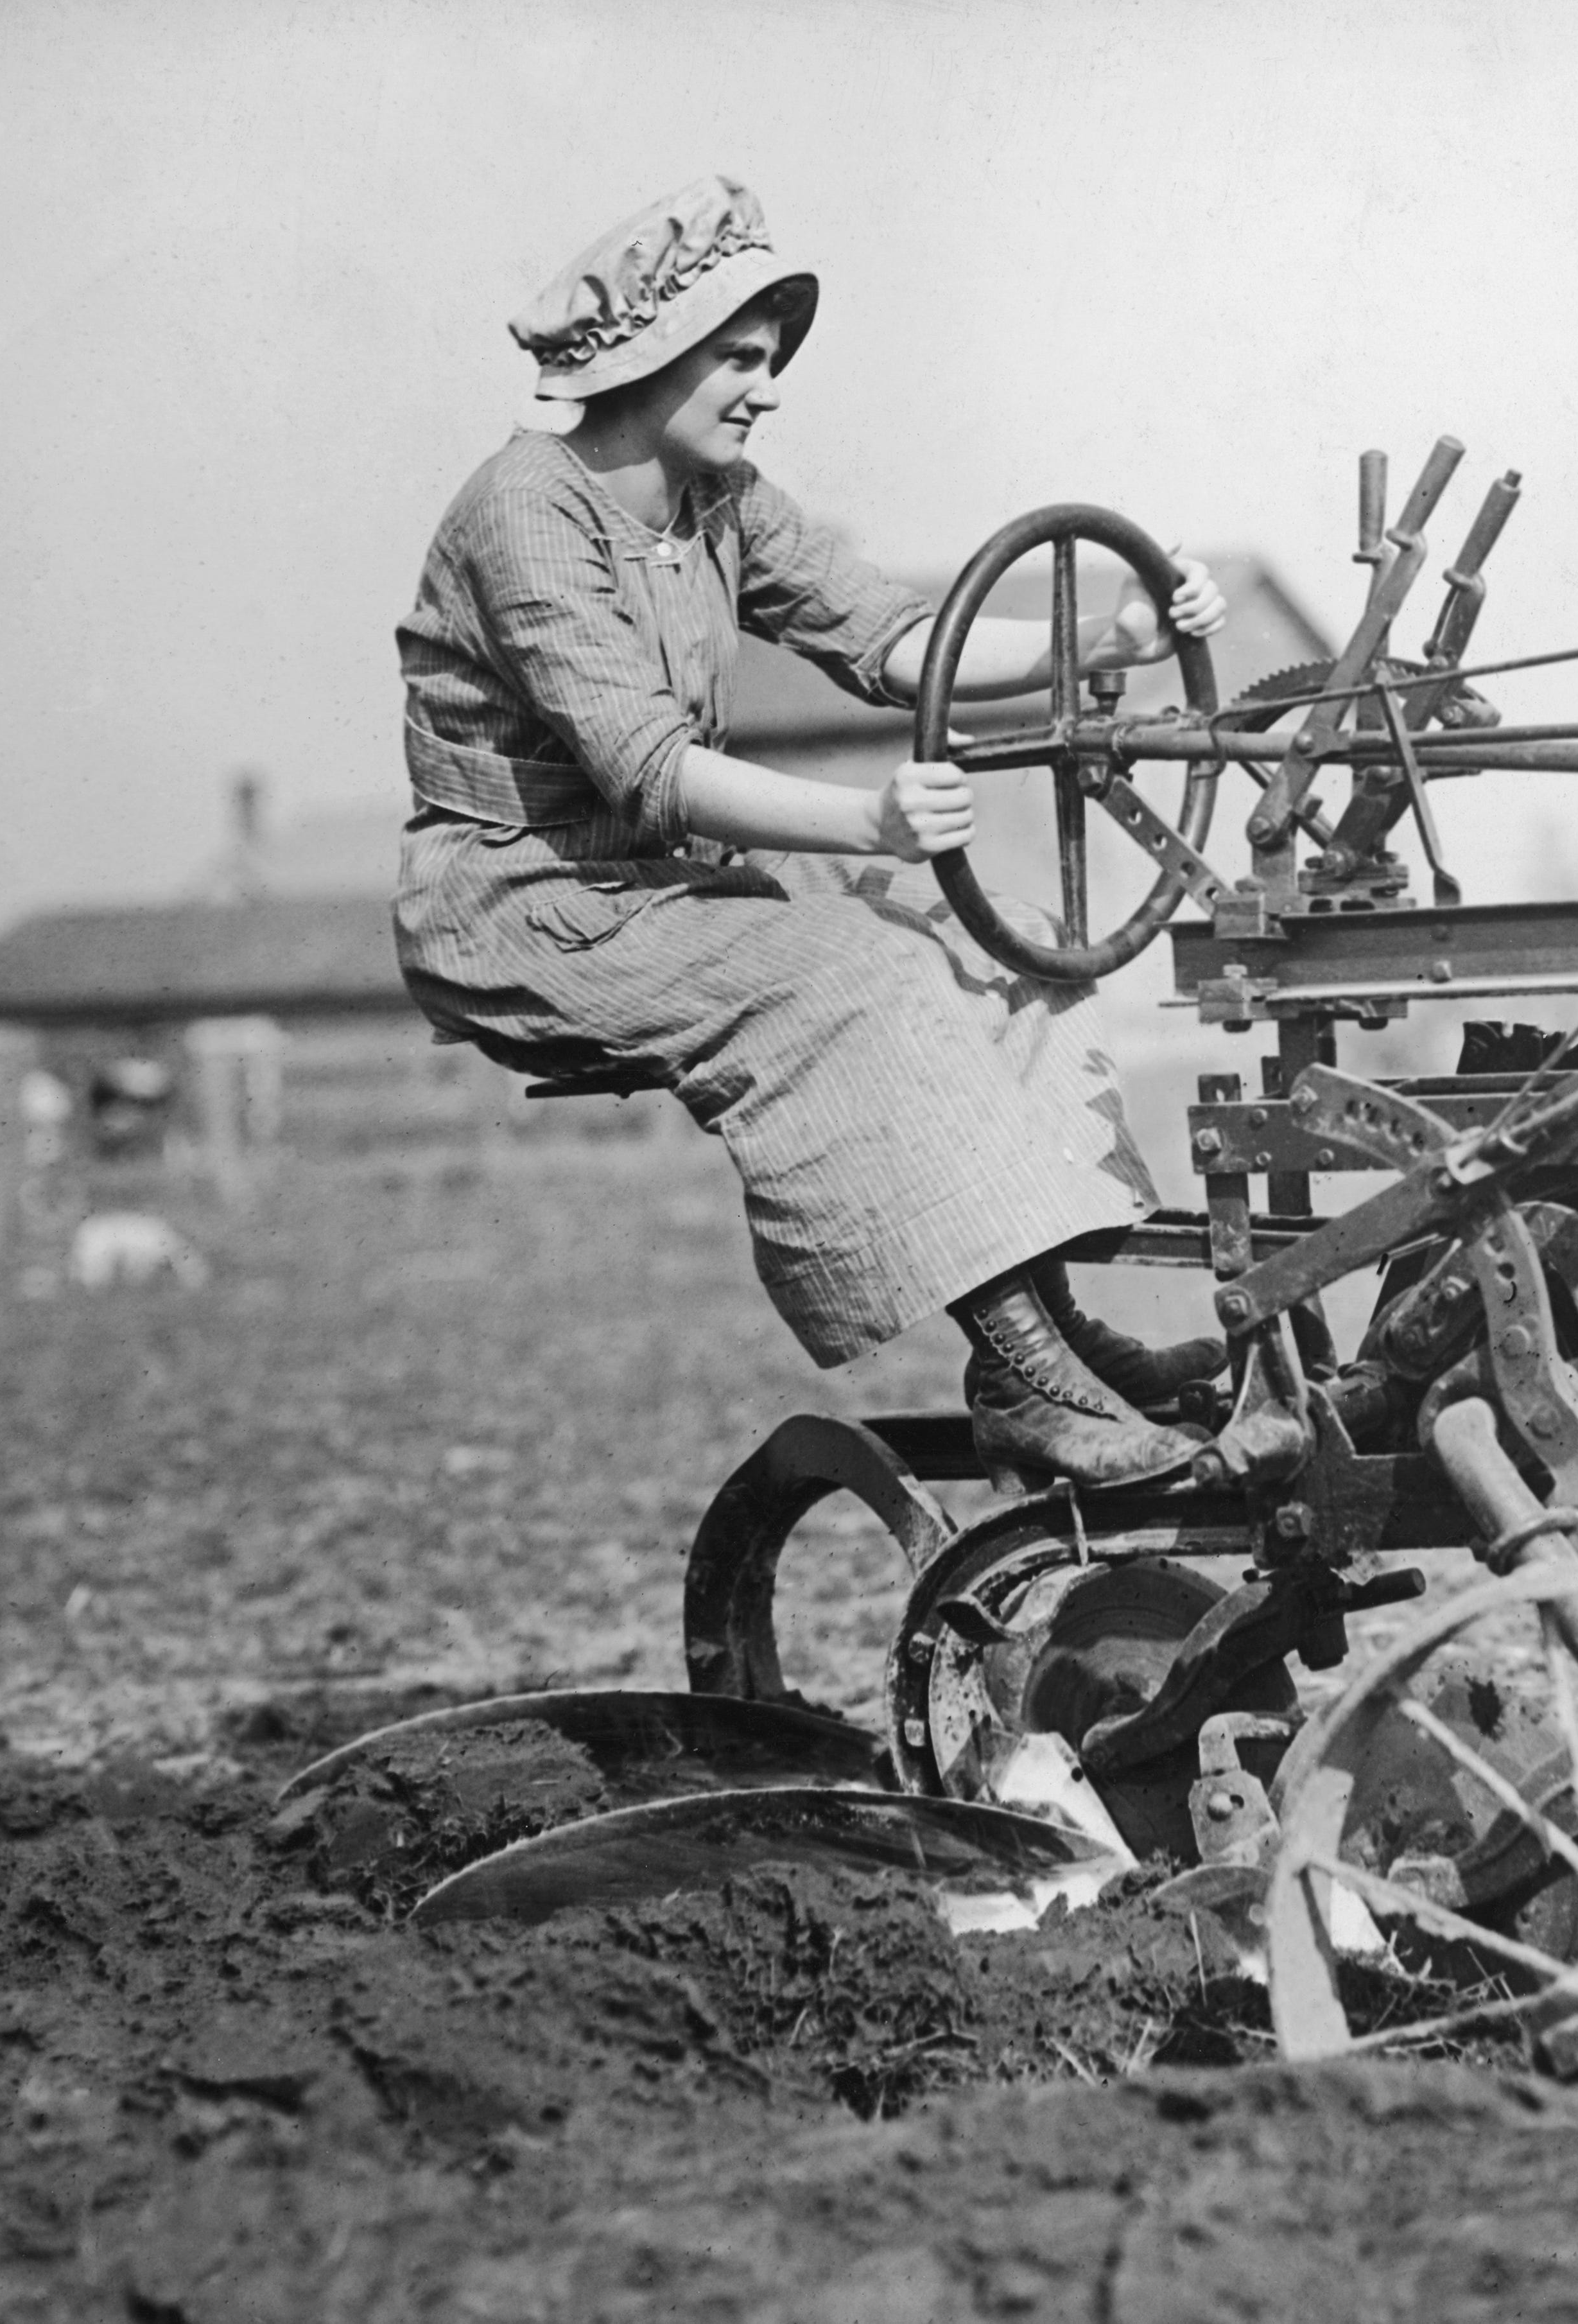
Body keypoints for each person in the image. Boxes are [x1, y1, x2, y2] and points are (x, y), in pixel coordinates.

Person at [394, 175, 1227, 1488]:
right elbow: (648, 768)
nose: (765, 385)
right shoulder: (526, 511)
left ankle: (1061, 1344)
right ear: (649, 358)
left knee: (997, 949)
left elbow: (897, 640)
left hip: (664, 883)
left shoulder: (717, 495)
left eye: (768, 358)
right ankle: (1025, 1379)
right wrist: (867, 819)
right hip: (526, 904)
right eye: (738, 356)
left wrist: (1100, 642)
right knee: (848, 978)